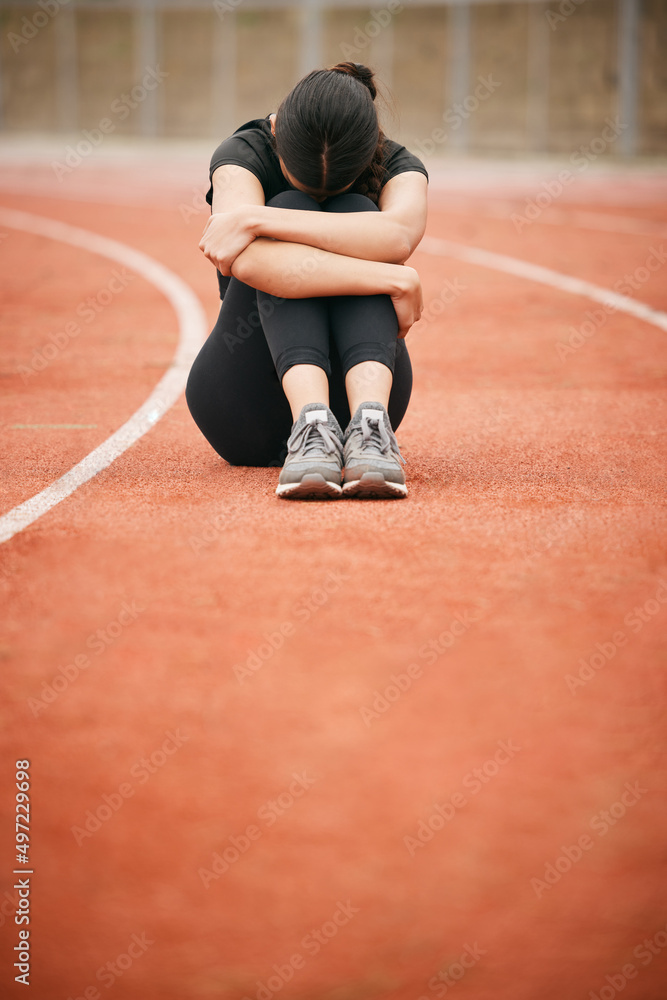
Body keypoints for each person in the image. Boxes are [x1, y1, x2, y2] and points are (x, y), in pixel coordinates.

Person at [187, 61, 428, 499]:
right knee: (292, 203)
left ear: (371, 148)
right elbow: (251, 262)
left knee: (355, 209)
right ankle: (310, 422)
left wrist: (257, 219)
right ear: (276, 132)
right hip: (243, 402)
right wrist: (388, 278)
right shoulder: (243, 155)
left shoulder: (398, 165)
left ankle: (371, 425)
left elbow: (396, 236)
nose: (320, 197)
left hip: (362, 400)